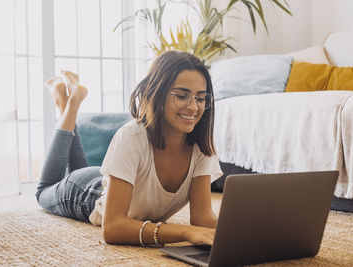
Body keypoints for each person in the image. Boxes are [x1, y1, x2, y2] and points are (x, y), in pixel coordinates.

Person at [36, 51, 223, 247]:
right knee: (43, 191)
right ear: (157, 94)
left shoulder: (201, 146)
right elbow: (112, 228)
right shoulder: (132, 136)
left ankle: (68, 102)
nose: (193, 107)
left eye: (200, 98)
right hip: (86, 193)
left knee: (78, 165)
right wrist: (185, 232)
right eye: (182, 96)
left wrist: (244, 233)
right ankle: (69, 103)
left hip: (111, 181)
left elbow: (202, 216)